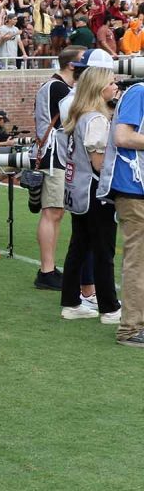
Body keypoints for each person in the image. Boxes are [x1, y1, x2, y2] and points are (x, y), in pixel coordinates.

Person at [59, 68, 121, 323]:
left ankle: (71, 302)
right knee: (103, 250)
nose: (116, 85)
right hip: (95, 189)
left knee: (80, 247)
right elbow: (99, 163)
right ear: (99, 88)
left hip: (79, 188)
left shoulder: (80, 116)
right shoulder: (95, 119)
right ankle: (110, 308)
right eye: (111, 81)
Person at [32, 46, 84, 290]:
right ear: (72, 65)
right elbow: (71, 119)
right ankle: (46, 270)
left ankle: (49, 268)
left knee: (55, 212)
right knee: (52, 212)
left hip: (55, 153)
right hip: (54, 153)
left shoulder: (56, 86)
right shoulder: (58, 87)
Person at [98, 78, 144, 346]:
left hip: (137, 187)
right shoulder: (139, 92)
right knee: (137, 259)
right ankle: (130, 328)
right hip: (134, 189)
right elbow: (123, 136)